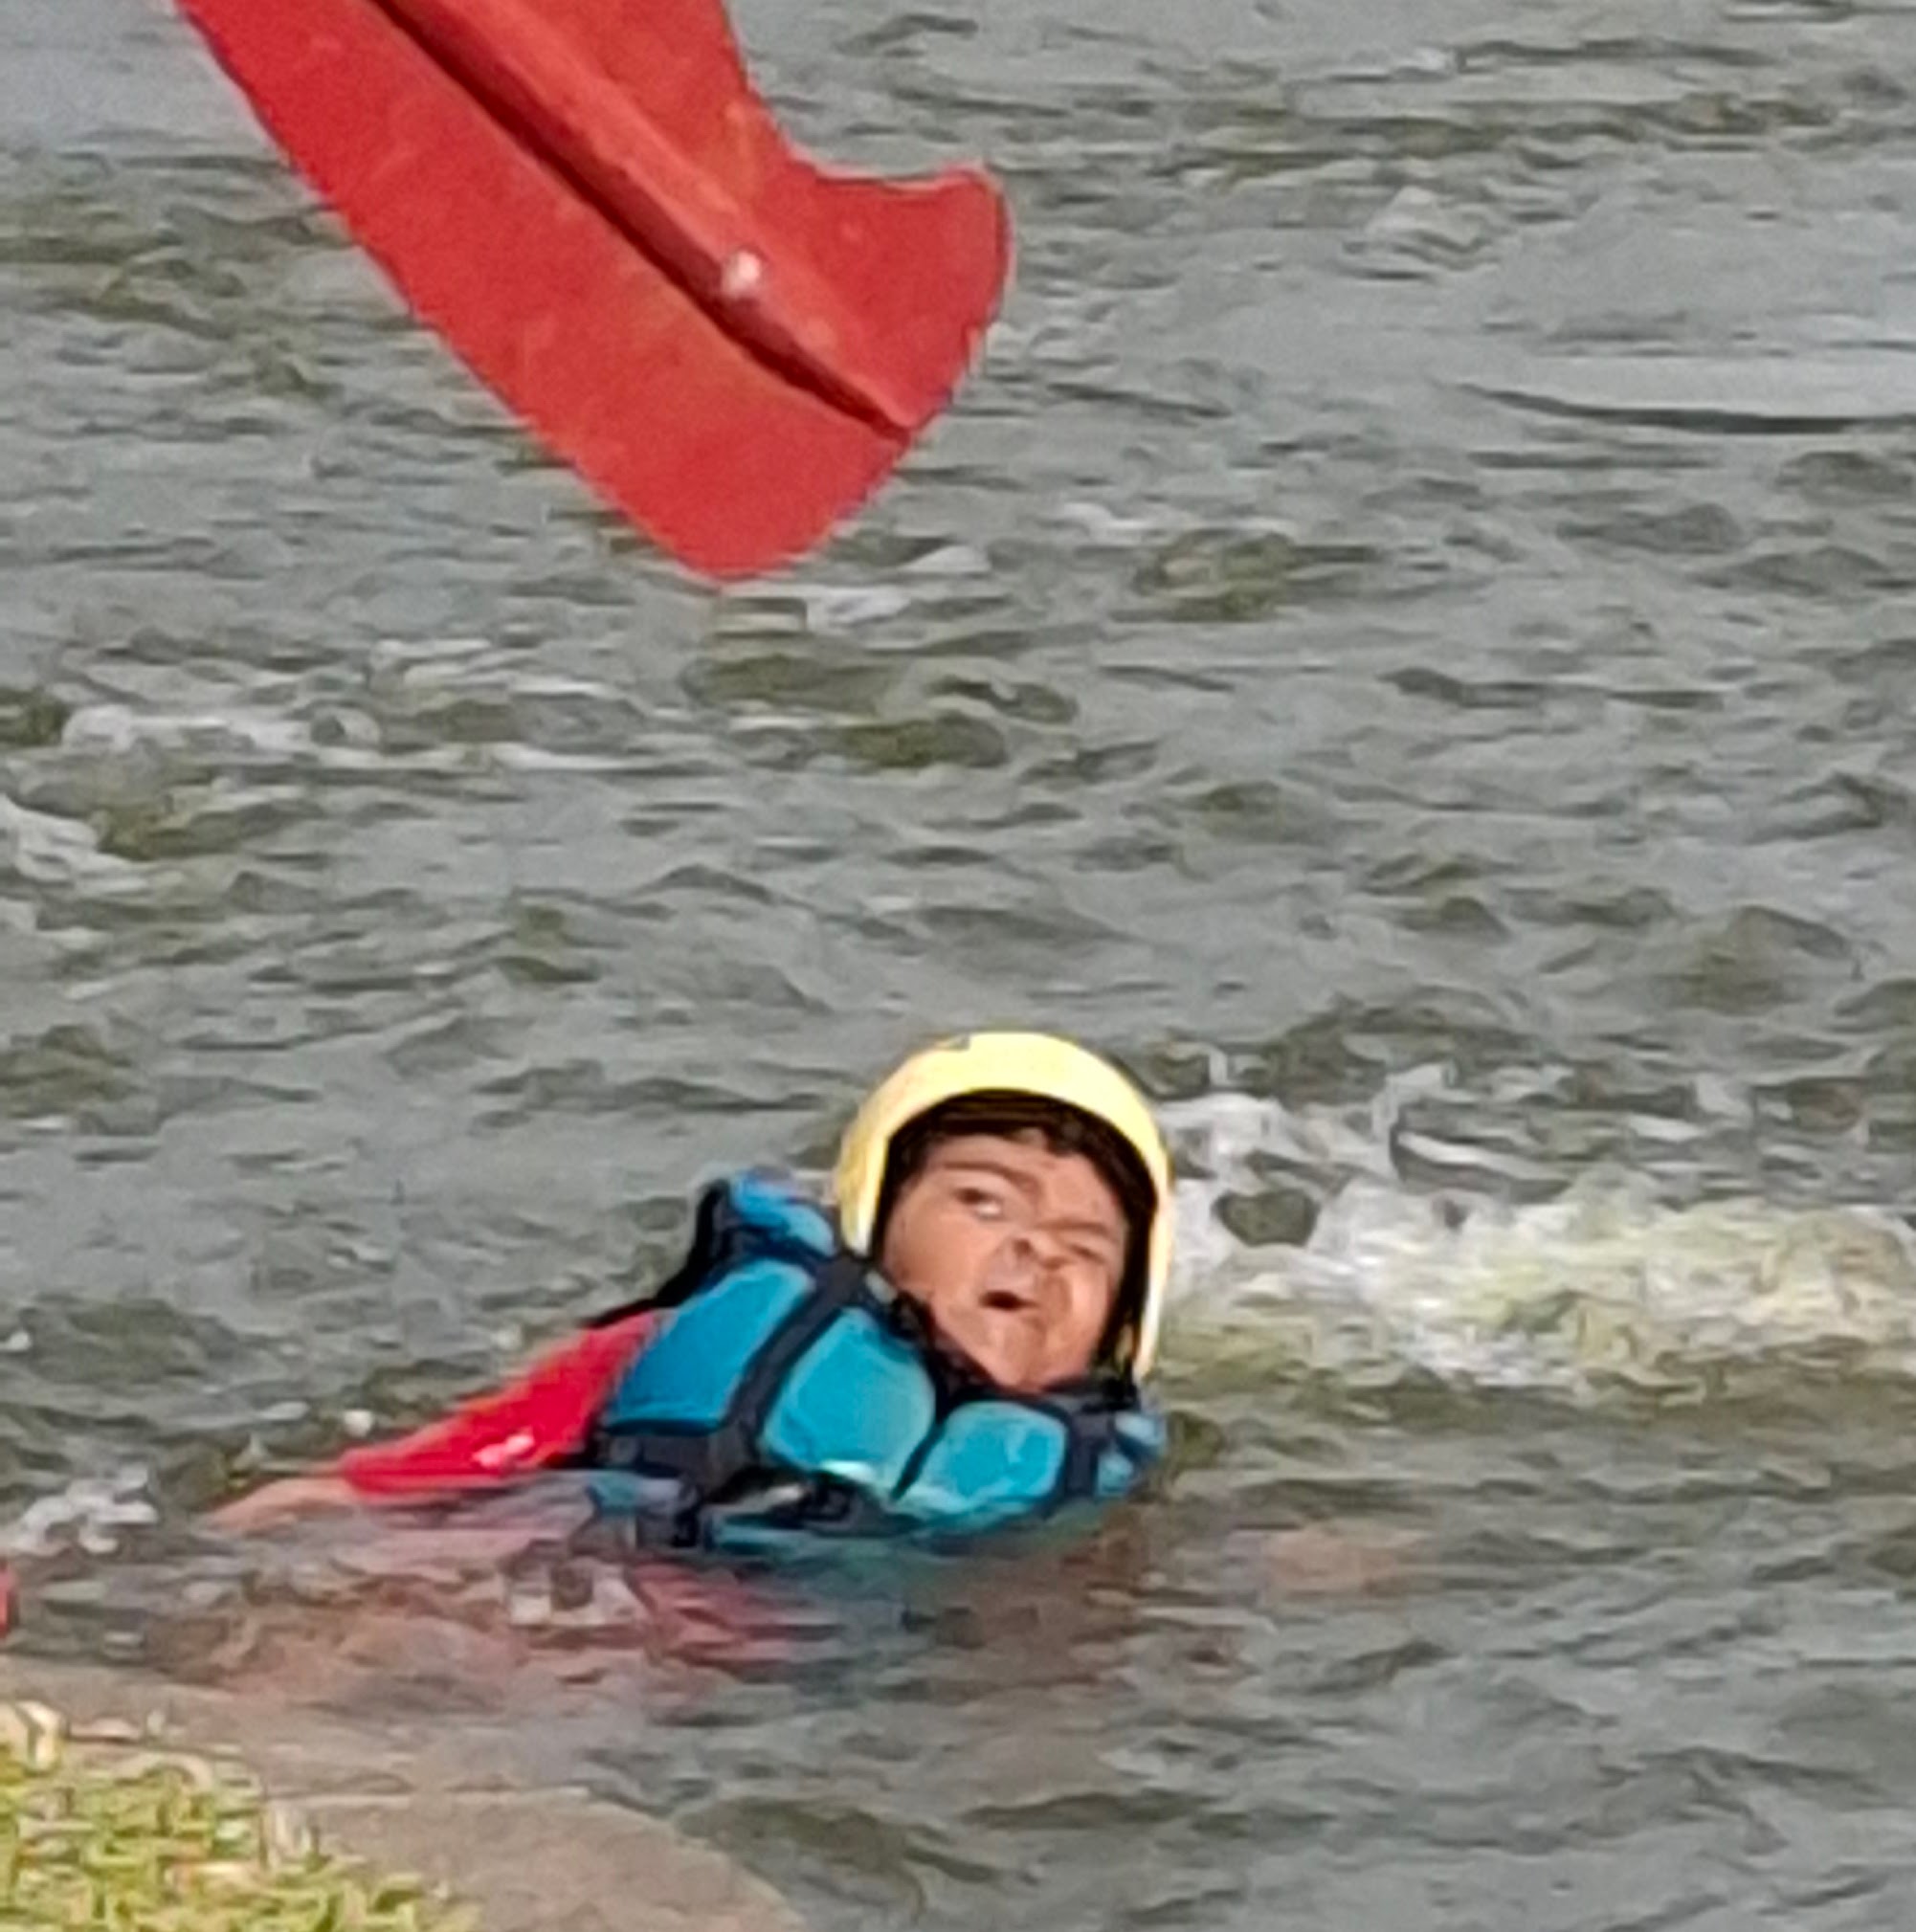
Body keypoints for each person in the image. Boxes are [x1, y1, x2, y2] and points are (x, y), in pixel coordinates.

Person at [215, 1033, 1174, 1551]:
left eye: (1085, 1249)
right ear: (875, 1219)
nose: (1034, 1252)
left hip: (804, 1669)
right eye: (982, 1202)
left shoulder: (1101, 1481)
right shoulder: (696, 1332)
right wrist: (337, 1495)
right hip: (587, 1551)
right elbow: (482, 1448)